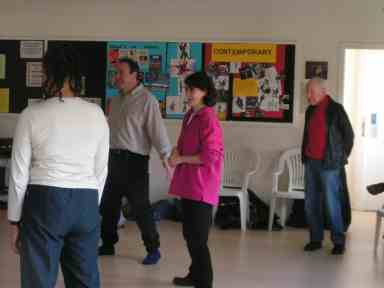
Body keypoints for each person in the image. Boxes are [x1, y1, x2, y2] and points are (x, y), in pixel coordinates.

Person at [8, 45, 110, 288]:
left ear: (53, 74)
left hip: (45, 202)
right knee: (85, 280)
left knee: (39, 280)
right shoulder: (96, 114)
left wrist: (14, 220)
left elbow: (19, 172)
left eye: (44, 74)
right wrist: (88, 206)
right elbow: (101, 169)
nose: (43, 79)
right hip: (86, 202)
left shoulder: (31, 114)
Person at [99, 58, 172, 265]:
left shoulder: (147, 100)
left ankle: (153, 249)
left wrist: (166, 157)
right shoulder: (115, 100)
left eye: (121, 72)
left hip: (135, 162)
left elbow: (157, 132)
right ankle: (107, 244)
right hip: (113, 159)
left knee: (141, 208)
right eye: (116, 73)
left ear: (134, 75)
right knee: (108, 206)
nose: (117, 77)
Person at [169, 72, 224, 288]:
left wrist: (180, 158)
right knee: (190, 234)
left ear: (205, 92)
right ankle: (195, 274)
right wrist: (175, 152)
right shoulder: (191, 115)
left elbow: (210, 156)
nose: (188, 94)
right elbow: (184, 144)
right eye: (187, 89)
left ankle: (205, 282)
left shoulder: (208, 117)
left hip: (202, 186)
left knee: (198, 238)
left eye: (193, 90)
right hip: (189, 184)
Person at [302, 78, 354, 255]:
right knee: (311, 203)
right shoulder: (310, 110)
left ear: (323, 91)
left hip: (330, 164)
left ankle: (338, 241)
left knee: (333, 204)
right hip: (311, 163)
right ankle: (315, 239)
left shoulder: (336, 109)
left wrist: (340, 158)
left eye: (311, 92)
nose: (308, 96)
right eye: (307, 92)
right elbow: (308, 136)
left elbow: (349, 136)